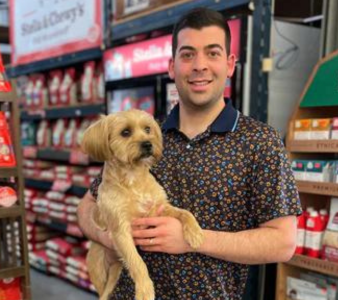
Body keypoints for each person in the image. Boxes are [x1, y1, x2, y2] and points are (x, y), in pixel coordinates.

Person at [78, 7, 301, 300]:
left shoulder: (259, 142)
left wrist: (192, 239)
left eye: (212, 53)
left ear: (230, 64)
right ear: (172, 67)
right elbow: (86, 207)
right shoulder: (146, 137)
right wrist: (111, 237)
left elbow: (282, 243)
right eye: (187, 55)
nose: (199, 65)